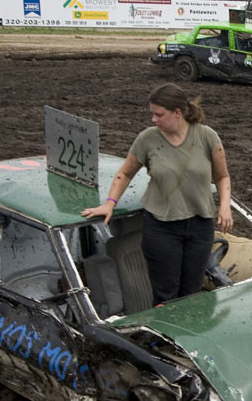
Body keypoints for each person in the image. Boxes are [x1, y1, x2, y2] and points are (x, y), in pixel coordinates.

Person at [82, 83, 232, 306]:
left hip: (200, 226)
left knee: (191, 291)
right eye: (152, 114)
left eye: (159, 114)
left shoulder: (207, 136)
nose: (154, 119)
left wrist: (225, 206)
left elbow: (222, 176)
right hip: (162, 228)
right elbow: (125, 174)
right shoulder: (147, 139)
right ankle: (162, 328)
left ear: (177, 113)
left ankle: (187, 327)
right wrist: (110, 203)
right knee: (166, 294)